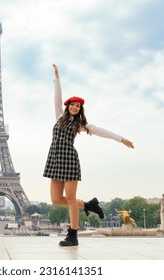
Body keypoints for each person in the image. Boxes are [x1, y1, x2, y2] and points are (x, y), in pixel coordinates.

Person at [43, 64, 134, 246]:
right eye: (73, 105)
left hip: (69, 160)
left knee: (69, 199)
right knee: (56, 199)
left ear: (80, 109)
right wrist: (57, 79)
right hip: (54, 159)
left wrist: (121, 139)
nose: (75, 108)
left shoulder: (81, 124)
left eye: (78, 106)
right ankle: (89, 205)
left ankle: (73, 235)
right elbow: (57, 98)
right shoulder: (59, 116)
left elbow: (100, 131)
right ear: (67, 106)